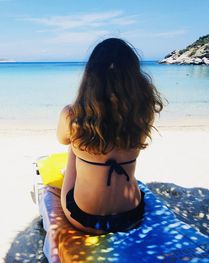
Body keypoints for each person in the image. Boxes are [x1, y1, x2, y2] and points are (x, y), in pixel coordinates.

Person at [57, 38, 163, 235]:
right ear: (134, 77)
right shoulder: (143, 112)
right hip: (131, 215)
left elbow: (62, 139)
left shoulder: (72, 115)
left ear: (90, 78)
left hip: (84, 218)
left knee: (72, 144)